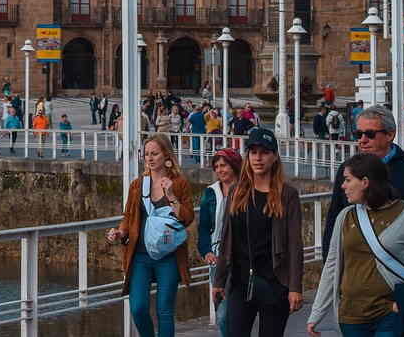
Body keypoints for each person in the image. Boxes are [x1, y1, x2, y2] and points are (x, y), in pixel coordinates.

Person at [307, 153, 404, 337]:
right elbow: (332, 265)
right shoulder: (345, 217)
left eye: (347, 180)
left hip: (391, 312)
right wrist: (316, 313)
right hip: (350, 316)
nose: (342, 185)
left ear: (365, 182)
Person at [212, 129, 303, 337]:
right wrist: (219, 280)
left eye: (264, 152)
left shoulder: (287, 194)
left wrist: (295, 287)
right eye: (253, 152)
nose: (258, 158)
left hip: (274, 282)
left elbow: (294, 244)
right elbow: (226, 239)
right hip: (240, 282)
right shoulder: (237, 191)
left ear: (275, 156)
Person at [107, 134, 194, 337]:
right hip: (140, 255)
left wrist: (171, 195)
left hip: (169, 254)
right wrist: (119, 232)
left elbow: (188, 218)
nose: (150, 158)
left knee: (164, 310)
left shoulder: (179, 184)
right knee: (137, 307)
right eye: (146, 154)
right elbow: (129, 217)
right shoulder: (138, 185)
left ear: (166, 155)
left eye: (154, 153)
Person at [321, 106, 404, 257]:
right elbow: (334, 219)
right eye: (358, 134)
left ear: (390, 134)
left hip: (396, 268)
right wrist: (330, 265)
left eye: (370, 134)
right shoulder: (346, 170)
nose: (362, 140)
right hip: (354, 268)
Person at [198, 148, 242, 337]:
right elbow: (203, 227)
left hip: (242, 256)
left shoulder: (246, 190)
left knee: (240, 312)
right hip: (218, 257)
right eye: (216, 167)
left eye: (223, 165)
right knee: (222, 314)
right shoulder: (210, 193)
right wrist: (206, 251)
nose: (220, 170)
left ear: (234, 165)